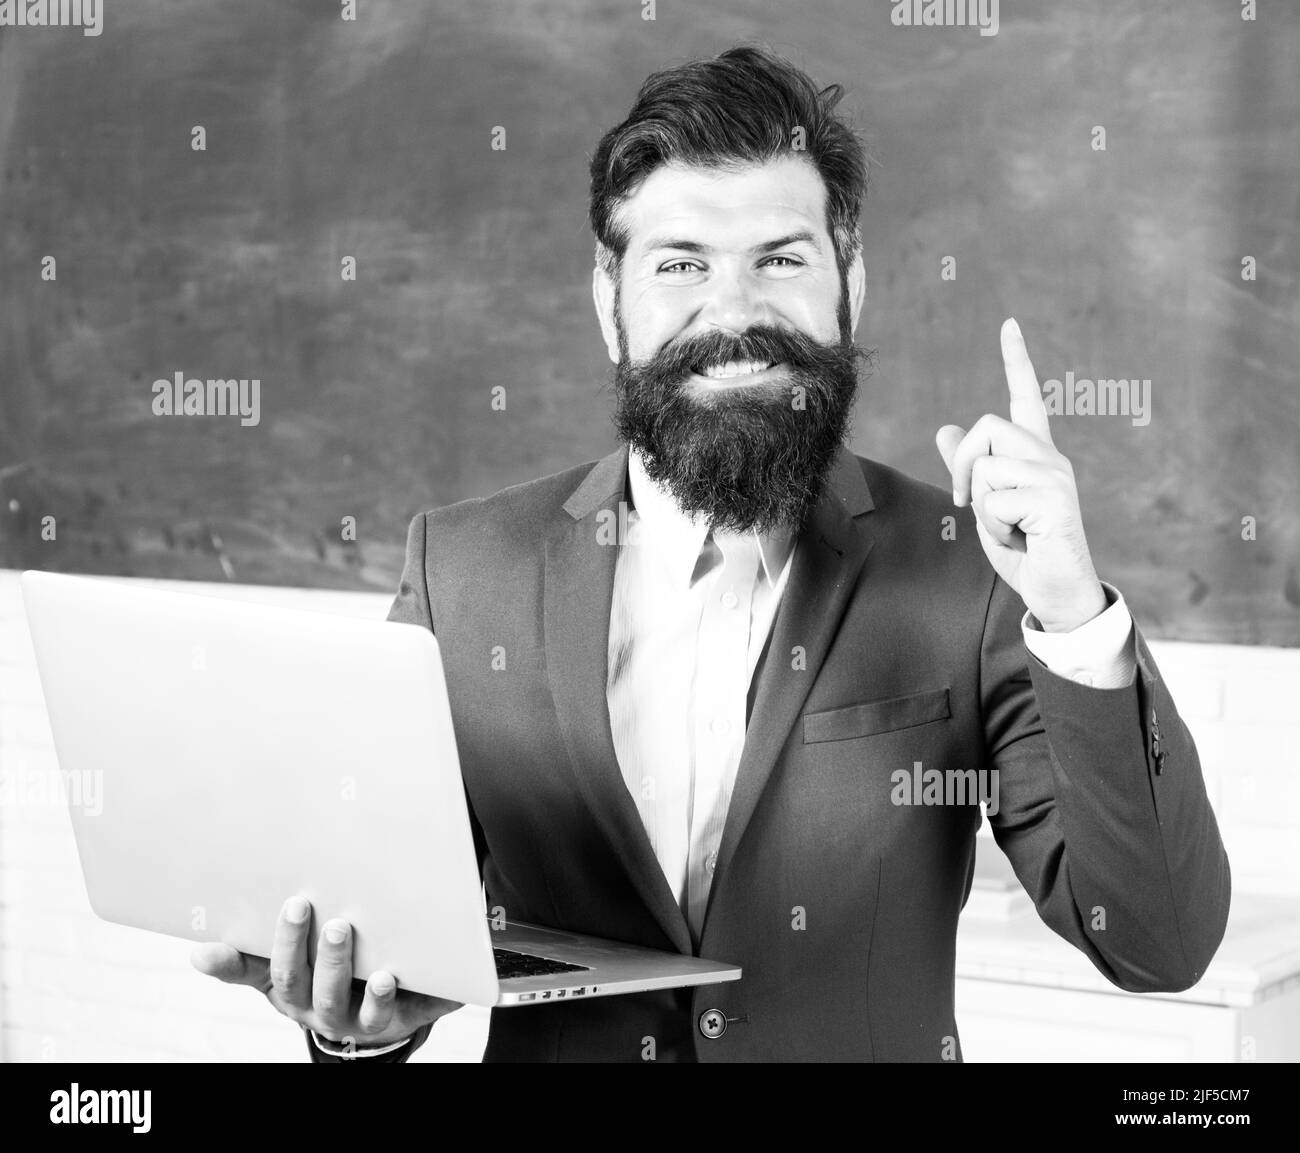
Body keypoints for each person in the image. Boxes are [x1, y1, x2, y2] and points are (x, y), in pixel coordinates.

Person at [192, 45, 1230, 1062]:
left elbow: (1155, 941)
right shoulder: (465, 572)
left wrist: (1073, 613)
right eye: (680, 264)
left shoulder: (971, 574)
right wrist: (354, 1026)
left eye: (780, 260)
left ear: (849, 287)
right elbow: (383, 917)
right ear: (610, 303)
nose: (733, 312)